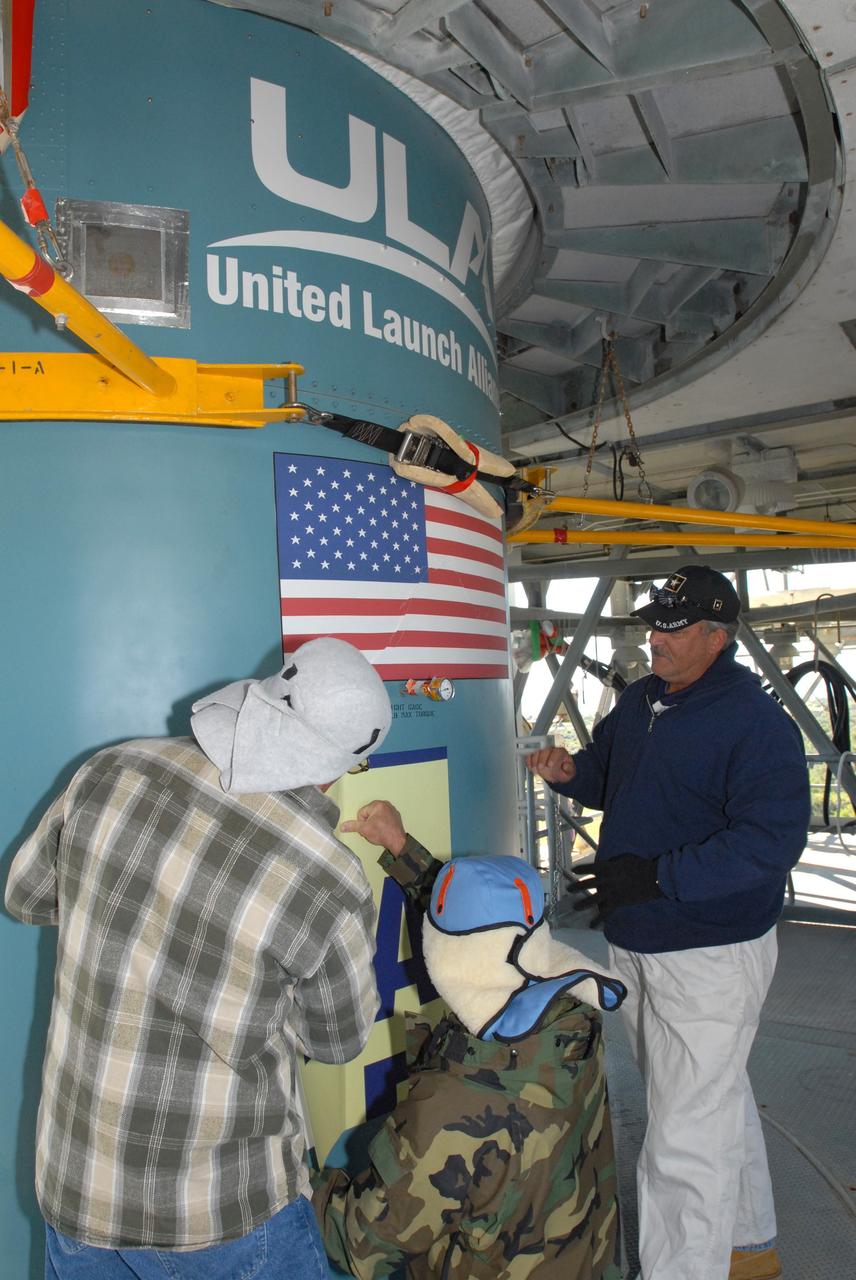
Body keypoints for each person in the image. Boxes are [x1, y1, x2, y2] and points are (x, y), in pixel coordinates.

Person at [5, 637, 393, 1279]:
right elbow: (338, 1042)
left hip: (78, 1188)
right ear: (342, 766)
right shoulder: (329, 879)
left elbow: (25, 894)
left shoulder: (111, 771)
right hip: (224, 1213)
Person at [526, 565, 811, 1280]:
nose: (656, 637)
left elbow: (771, 842)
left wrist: (659, 876)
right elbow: (607, 772)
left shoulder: (754, 723)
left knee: (684, 1132)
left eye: (673, 627)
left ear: (718, 637)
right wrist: (570, 774)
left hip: (710, 949)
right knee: (707, 1098)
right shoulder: (645, 700)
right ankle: (747, 1242)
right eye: (655, 622)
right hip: (639, 935)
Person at [312, 798, 628, 1280]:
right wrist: (402, 849)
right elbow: (486, 930)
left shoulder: (450, 1113)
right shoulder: (573, 1017)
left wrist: (298, 1178)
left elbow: (359, 1246)